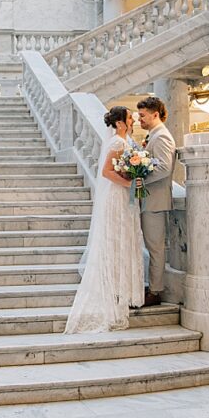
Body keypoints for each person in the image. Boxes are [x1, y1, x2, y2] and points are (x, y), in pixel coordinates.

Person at [64, 106, 144, 334]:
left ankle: (120, 293)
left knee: (122, 241)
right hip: (117, 197)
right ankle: (113, 297)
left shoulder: (125, 141)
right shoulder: (118, 143)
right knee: (114, 243)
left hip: (122, 196)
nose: (133, 120)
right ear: (119, 123)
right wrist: (131, 183)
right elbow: (107, 171)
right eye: (129, 118)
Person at [135, 96, 176, 306]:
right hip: (149, 201)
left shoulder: (162, 137)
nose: (139, 119)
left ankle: (155, 291)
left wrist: (140, 178)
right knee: (151, 247)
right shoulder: (154, 135)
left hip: (156, 202)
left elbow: (163, 168)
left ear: (155, 114)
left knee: (156, 248)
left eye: (142, 115)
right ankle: (151, 286)